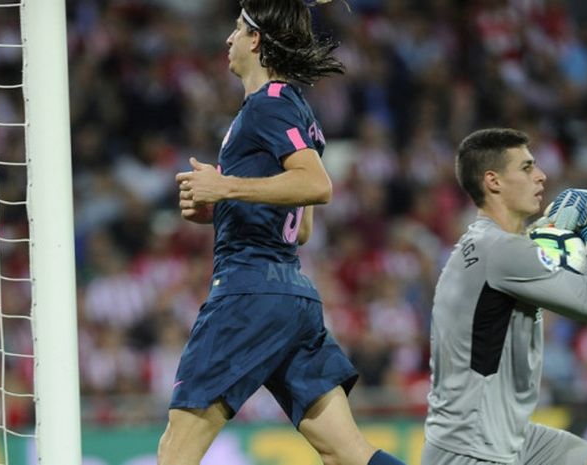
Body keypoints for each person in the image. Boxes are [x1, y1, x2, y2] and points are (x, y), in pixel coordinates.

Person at [157, 2, 406, 465]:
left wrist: (224, 185)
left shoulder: (267, 105)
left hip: (247, 293)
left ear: (256, 40)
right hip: (291, 297)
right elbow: (303, 225)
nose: (227, 39)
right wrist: (218, 206)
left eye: (236, 29)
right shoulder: (292, 109)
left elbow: (316, 185)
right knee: (346, 452)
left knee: (176, 450)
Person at [421, 128, 587, 465]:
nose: (541, 176)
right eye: (527, 168)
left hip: (508, 436)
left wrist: (551, 227)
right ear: (493, 181)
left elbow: (530, 254)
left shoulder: (486, 244)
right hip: (471, 450)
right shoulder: (504, 252)